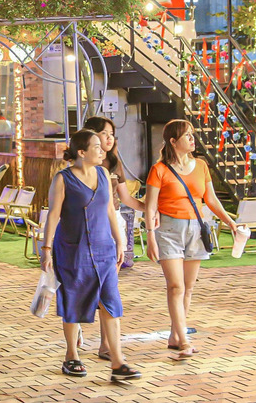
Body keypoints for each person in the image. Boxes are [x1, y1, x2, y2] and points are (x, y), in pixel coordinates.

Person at [41, 129, 140, 381]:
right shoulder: (63, 179)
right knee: (73, 300)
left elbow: (109, 209)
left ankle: (118, 362)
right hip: (72, 250)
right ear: (81, 152)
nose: (102, 150)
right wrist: (46, 249)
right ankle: (71, 355)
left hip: (104, 249)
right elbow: (54, 215)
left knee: (110, 302)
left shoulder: (104, 173)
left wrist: (120, 241)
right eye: (96, 146)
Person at [144, 119, 237, 360]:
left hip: (196, 229)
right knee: (176, 287)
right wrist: (150, 238)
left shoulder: (201, 165)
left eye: (192, 135)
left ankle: (176, 336)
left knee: (188, 288)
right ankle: (184, 339)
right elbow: (150, 207)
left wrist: (230, 222)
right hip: (169, 230)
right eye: (187, 136)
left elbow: (212, 200)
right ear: (173, 142)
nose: (192, 139)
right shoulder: (159, 170)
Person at [80, 116, 147, 361]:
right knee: (89, 283)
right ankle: (75, 326)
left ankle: (106, 344)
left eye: (112, 134)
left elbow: (126, 200)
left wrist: (150, 207)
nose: (110, 139)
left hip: (113, 225)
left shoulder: (115, 163)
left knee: (108, 287)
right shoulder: (83, 162)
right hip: (90, 227)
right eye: (105, 134)